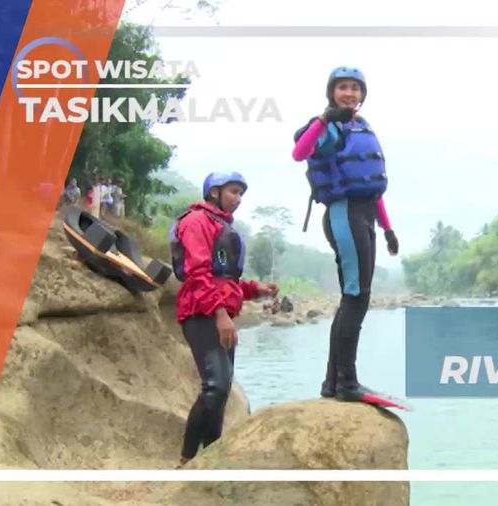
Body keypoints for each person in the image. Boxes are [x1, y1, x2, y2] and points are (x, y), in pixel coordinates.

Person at [292, 66, 400, 404]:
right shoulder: (329, 127)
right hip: (344, 215)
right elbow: (300, 153)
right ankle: (347, 382)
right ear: (332, 92)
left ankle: (332, 382)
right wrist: (325, 119)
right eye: (342, 88)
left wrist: (388, 229)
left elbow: (370, 186)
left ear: (363, 94)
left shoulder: (362, 127)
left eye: (355, 88)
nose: (349, 93)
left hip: (365, 215)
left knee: (356, 297)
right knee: (356, 296)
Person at [170, 171, 278, 465]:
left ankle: (211, 459)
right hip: (200, 313)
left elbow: (226, 282)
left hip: (219, 312)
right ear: (214, 192)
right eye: (233, 191)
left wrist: (257, 290)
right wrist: (220, 314)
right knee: (215, 386)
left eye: (241, 193)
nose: (238, 199)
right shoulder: (196, 222)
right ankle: (186, 460)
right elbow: (197, 274)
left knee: (223, 390)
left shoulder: (220, 227)